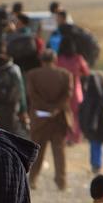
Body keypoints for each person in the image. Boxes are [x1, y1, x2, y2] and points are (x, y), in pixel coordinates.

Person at [25, 50, 74, 190]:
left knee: (37, 151)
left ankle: (33, 179)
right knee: (59, 152)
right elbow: (67, 95)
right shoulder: (65, 75)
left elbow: (32, 95)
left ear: (41, 60)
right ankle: (61, 182)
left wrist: (45, 108)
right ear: (55, 59)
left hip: (40, 119)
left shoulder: (32, 74)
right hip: (58, 118)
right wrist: (55, 109)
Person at [79, 71, 103, 175]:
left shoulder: (87, 97)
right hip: (100, 127)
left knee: (95, 145)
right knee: (97, 146)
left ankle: (96, 165)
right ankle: (96, 166)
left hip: (92, 127)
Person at [57, 36, 89, 144]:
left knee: (64, 114)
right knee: (76, 116)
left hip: (62, 91)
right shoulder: (78, 58)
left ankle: (65, 136)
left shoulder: (58, 59)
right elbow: (86, 72)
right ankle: (75, 137)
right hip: (76, 91)